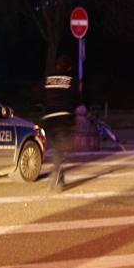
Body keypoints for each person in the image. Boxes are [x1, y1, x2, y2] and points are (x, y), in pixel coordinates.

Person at [41, 55, 81, 192]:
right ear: (69, 67)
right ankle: (56, 177)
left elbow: (39, 94)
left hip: (49, 119)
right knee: (62, 149)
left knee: (57, 150)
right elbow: (77, 98)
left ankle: (59, 177)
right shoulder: (70, 80)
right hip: (64, 118)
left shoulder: (49, 79)